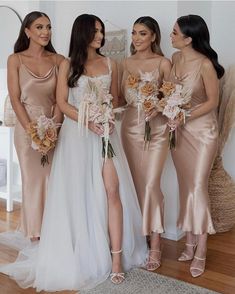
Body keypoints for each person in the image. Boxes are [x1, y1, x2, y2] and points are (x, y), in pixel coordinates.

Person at [0, 14, 147, 291]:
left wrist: (109, 112)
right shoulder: (67, 65)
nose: (100, 37)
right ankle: (85, 250)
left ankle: (116, 260)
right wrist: (86, 119)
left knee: (113, 192)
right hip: (77, 137)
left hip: (104, 135)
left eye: (102, 31)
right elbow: (62, 103)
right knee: (80, 195)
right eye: (95, 32)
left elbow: (116, 100)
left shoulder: (110, 64)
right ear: (82, 34)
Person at [169, 14, 224, 277]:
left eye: (175, 32)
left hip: (203, 132)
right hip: (178, 133)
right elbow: (169, 91)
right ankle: (189, 241)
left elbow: (213, 101)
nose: (171, 36)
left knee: (198, 187)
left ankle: (201, 248)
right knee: (185, 186)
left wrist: (184, 115)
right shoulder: (175, 59)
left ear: (189, 38)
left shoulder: (204, 65)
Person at [119, 16, 171, 271]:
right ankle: (139, 238)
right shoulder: (125, 63)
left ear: (153, 37)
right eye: (134, 33)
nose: (137, 38)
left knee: (151, 184)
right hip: (129, 128)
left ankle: (157, 244)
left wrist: (159, 105)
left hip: (157, 128)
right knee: (133, 184)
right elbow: (119, 97)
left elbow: (172, 98)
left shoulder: (163, 63)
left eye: (142, 33)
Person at [7, 11, 64, 241]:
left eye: (48, 27)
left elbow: (61, 100)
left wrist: (53, 130)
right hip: (25, 128)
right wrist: (33, 132)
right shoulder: (16, 60)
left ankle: (52, 233)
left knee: (52, 180)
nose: (46, 32)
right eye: (39, 27)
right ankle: (34, 234)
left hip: (53, 128)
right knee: (31, 181)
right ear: (27, 31)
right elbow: (15, 99)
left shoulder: (59, 60)